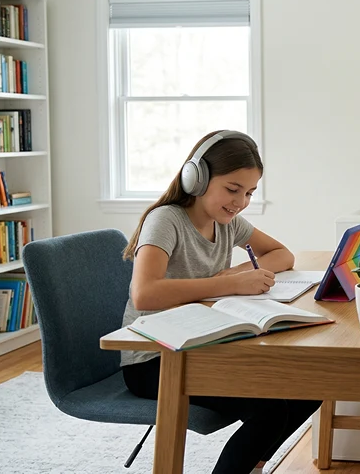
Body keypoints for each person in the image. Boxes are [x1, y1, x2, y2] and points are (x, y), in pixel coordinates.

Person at [119, 130, 320, 474]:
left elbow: (281, 254)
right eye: (232, 189)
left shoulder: (227, 222)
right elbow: (145, 293)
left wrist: (237, 275)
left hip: (200, 345)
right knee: (270, 412)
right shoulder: (166, 220)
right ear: (196, 178)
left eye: (249, 193)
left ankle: (250, 465)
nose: (240, 201)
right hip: (154, 359)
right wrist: (226, 283)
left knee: (311, 384)